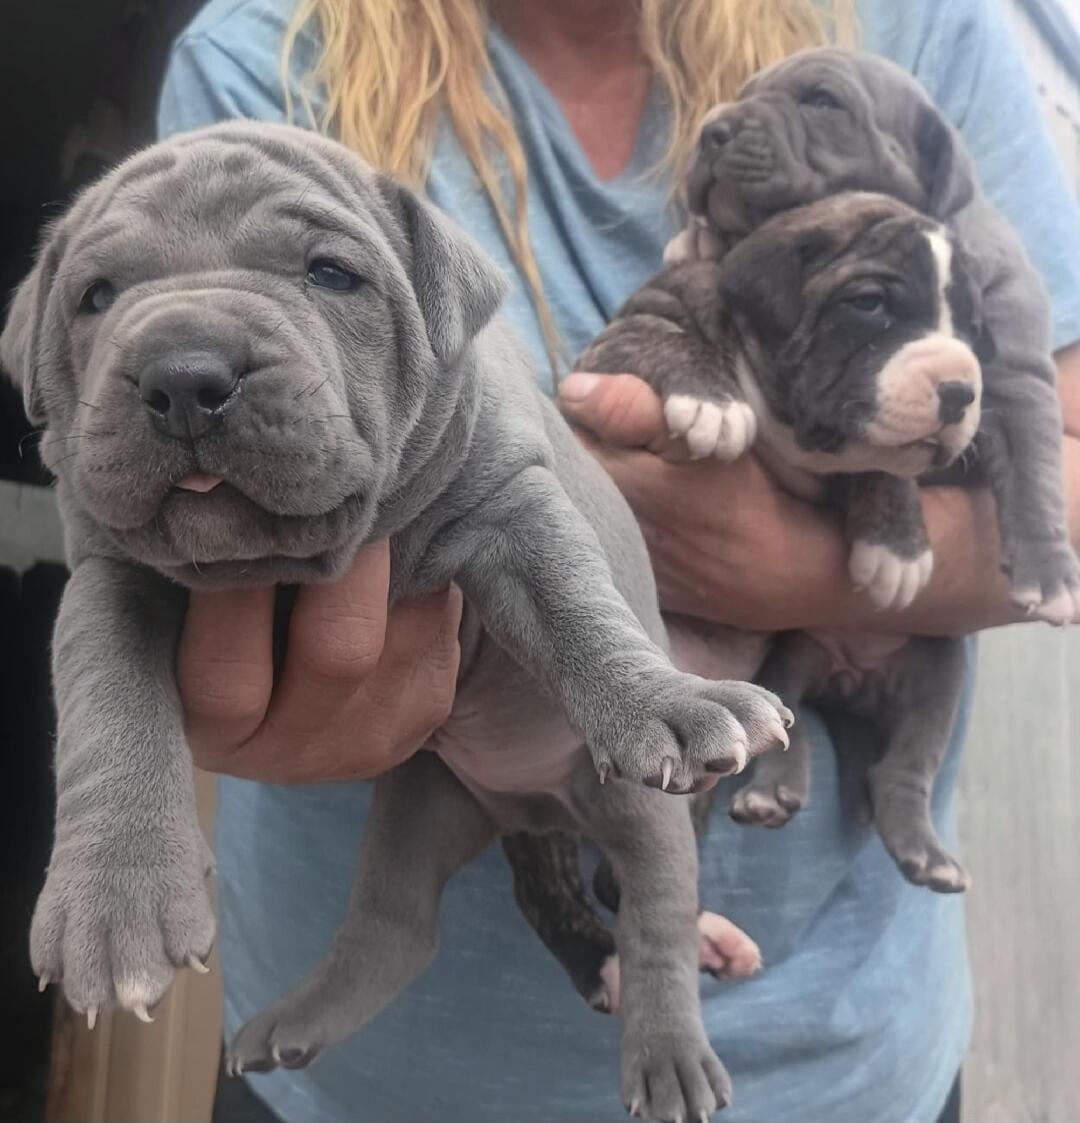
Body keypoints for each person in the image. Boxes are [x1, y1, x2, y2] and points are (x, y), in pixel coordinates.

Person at [157, 1, 1080, 1120]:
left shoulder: (918, 29)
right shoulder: (263, 53)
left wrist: (772, 564)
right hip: (391, 1072)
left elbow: (1048, 443)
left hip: (831, 1059)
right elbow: (237, 519)